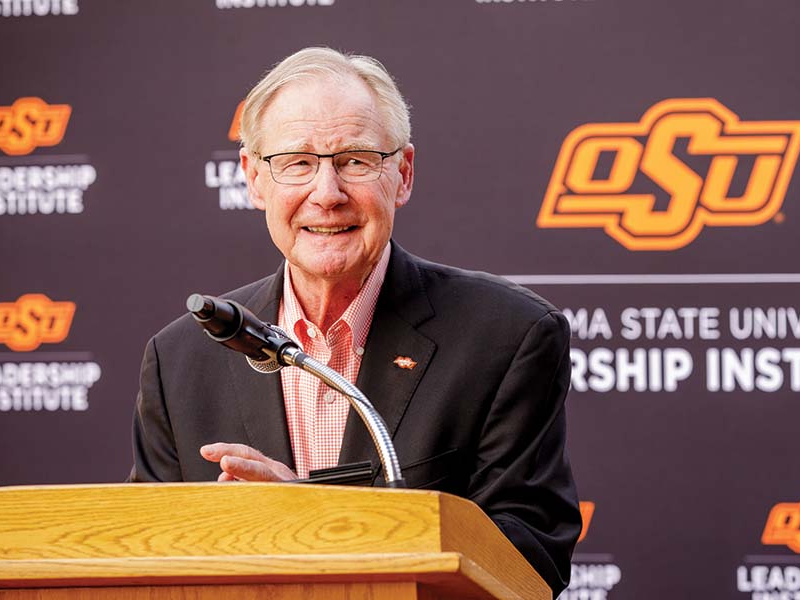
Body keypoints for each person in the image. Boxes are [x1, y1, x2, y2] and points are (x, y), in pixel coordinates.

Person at [128, 47, 580, 596]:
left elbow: (529, 562)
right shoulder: (181, 360)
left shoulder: (508, 336)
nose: (327, 194)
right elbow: (147, 559)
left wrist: (319, 525)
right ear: (253, 178)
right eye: (297, 162)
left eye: (355, 161)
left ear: (403, 173)